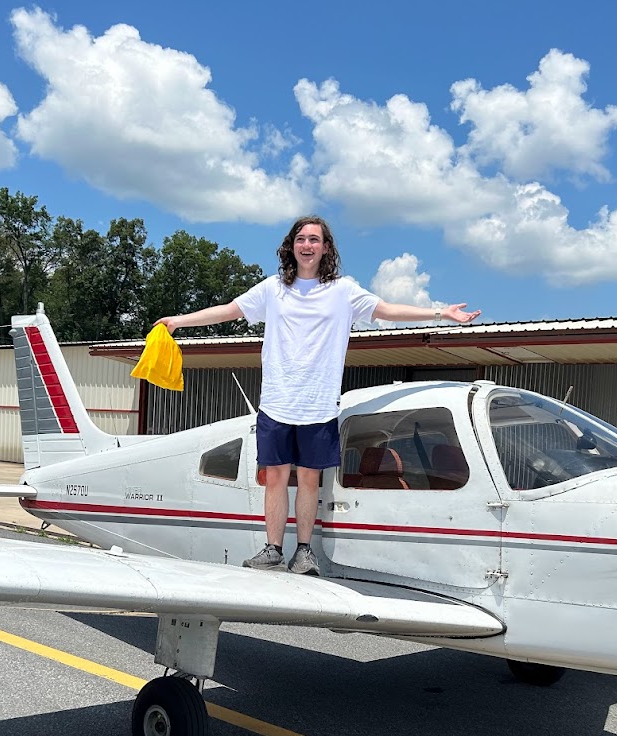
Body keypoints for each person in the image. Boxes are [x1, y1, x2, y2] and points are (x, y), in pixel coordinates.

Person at [155, 215, 480, 575]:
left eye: (314, 239)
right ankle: (273, 548)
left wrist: (441, 312)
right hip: (277, 403)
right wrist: (179, 320)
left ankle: (304, 551)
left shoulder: (343, 291)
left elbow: (386, 310)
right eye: (301, 239)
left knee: (310, 480)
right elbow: (229, 311)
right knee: (276, 478)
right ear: (291, 246)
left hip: (319, 405)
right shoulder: (272, 289)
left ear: (326, 248)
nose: (307, 245)